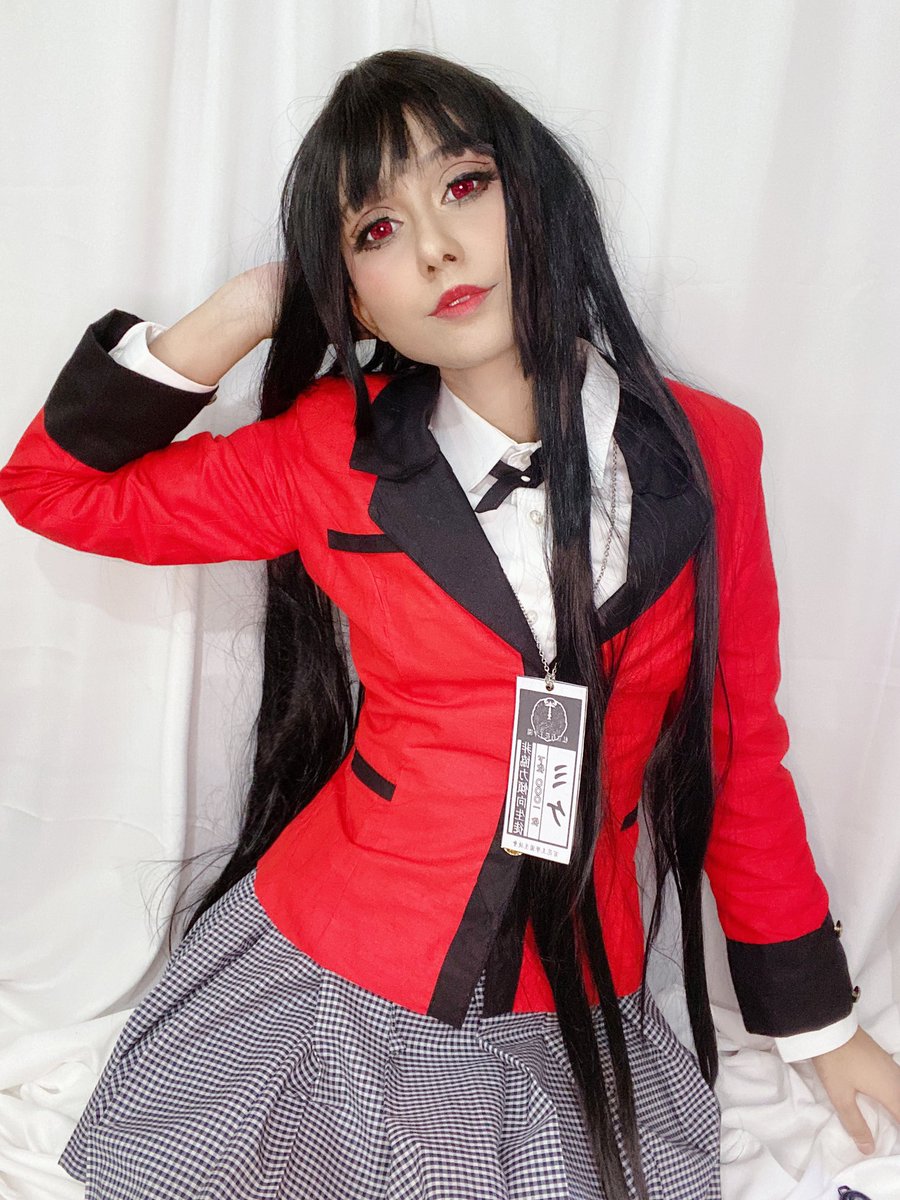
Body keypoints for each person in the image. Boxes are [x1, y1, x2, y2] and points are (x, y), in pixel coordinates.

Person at [1, 47, 898, 1200]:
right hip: (330, 973)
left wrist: (820, 1023)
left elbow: (736, 751)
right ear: (353, 291)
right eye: (376, 230)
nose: (434, 249)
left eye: (464, 186)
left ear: (537, 196)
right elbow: (53, 491)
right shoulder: (328, 448)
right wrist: (258, 305)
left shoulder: (711, 450)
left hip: (574, 998)